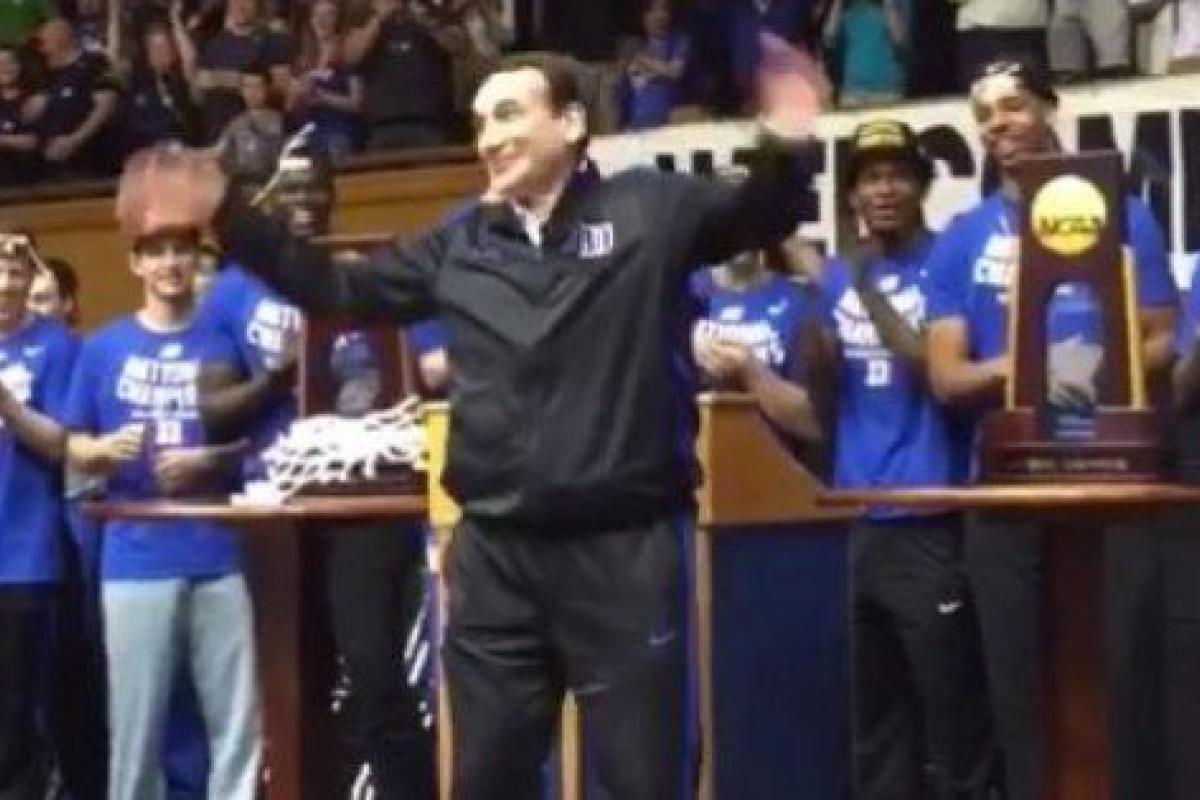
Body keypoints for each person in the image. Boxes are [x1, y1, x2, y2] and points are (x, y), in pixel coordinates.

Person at [121, 39, 822, 798]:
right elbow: (337, 290)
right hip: (495, 560)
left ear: (572, 124)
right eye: (482, 123)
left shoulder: (652, 208)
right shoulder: (460, 239)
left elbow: (760, 211)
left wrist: (787, 140)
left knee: (642, 782)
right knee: (484, 779)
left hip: (624, 552)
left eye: (511, 115)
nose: (490, 138)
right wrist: (227, 213)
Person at [923, 59, 1176, 799]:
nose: (997, 125)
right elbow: (947, 375)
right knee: (1018, 692)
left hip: (1112, 479)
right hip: (1008, 487)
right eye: (984, 115)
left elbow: (1164, 340)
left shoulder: (1125, 215)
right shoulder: (963, 236)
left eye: (1012, 106)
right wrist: (1036, 364)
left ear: (1048, 109)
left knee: (1126, 683)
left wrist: (1081, 371)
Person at [197, 144, 439, 799]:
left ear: (335, 195)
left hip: (367, 504)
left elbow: (430, 369)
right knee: (292, 687)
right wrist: (282, 371)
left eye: (316, 188)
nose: (304, 201)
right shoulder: (231, 291)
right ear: (266, 199)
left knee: (376, 675)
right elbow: (213, 410)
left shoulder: (370, 271)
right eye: (291, 189)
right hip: (278, 511)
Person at [807, 119, 995, 798]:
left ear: (921, 185)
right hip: (861, 519)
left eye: (897, 175)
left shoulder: (950, 261)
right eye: (869, 178)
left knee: (955, 717)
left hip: (933, 515)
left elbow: (939, 372)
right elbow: (822, 404)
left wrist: (866, 291)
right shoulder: (837, 275)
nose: (883, 190)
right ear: (852, 194)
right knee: (877, 723)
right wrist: (811, 352)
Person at [62, 185, 262, 799]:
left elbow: (263, 442)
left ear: (197, 260)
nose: (171, 263)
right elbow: (72, 445)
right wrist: (100, 450)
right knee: (136, 724)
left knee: (236, 722)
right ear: (135, 263)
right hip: (135, 554)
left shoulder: (227, 340)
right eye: (157, 252)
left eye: (182, 250)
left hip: (218, 549)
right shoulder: (103, 347)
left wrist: (214, 459)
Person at [0, 228, 79, 800]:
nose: (5, 283)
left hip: (22, 556)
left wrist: (8, 405)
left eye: (16, 272)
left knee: (17, 717)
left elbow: (63, 445)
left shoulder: (57, 346)